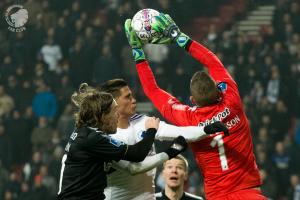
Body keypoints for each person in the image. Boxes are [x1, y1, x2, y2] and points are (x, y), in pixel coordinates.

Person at [124, 13, 266, 200]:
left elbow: (152, 90)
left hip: (217, 195)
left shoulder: (189, 119)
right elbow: (211, 61)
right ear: (219, 89)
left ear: (192, 99)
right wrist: (179, 37)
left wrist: (137, 50)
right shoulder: (231, 99)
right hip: (249, 192)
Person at [72, 81, 228, 200]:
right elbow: (134, 168)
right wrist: (170, 152)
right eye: (128, 97)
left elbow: (180, 132)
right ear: (114, 102)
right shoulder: (105, 137)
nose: (134, 100)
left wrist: (206, 129)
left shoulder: (142, 121)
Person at [57, 88, 187, 199]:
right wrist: (152, 131)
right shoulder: (93, 139)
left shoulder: (85, 132)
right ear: (102, 116)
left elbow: (134, 166)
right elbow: (137, 155)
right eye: (114, 111)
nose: (117, 116)